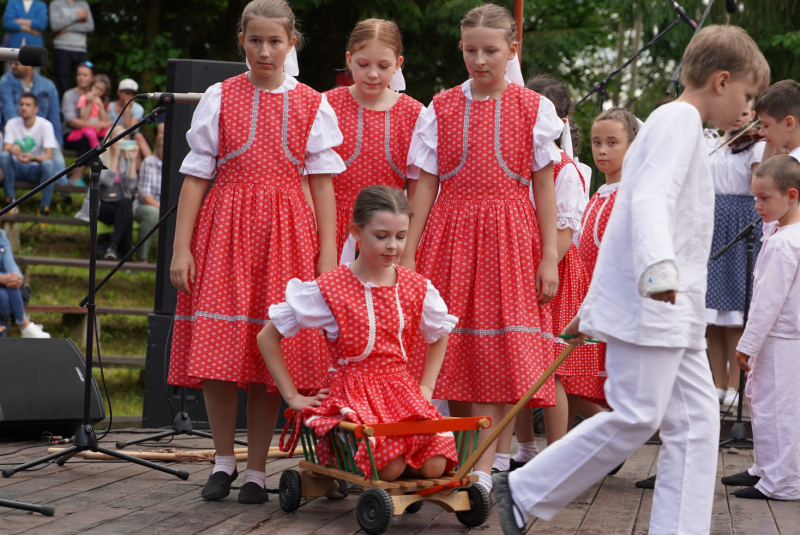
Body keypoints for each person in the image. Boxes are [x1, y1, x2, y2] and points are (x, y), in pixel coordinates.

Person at [493, 25, 770, 535]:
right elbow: (648, 201)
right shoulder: (678, 119)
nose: (749, 108)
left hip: (675, 307)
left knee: (695, 425)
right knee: (640, 414)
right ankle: (527, 489)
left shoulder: (678, 123)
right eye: (748, 95)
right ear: (722, 80)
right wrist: (658, 269)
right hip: (657, 299)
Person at [167, 0, 343, 505]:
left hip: (287, 233)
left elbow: (324, 186)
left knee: (271, 355)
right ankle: (224, 462)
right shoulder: (220, 97)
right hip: (224, 230)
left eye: (275, 41)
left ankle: (257, 471)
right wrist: (182, 248)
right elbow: (196, 178)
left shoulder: (312, 103)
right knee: (220, 354)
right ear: (241, 42)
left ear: (292, 44)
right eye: (255, 41)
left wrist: (327, 256)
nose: (264, 51)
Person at [400, 3, 562, 494]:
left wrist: (549, 253)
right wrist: (408, 251)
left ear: (511, 50)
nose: (480, 60)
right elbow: (425, 184)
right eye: (471, 50)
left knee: (493, 351)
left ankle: (485, 469)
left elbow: (544, 187)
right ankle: (462, 458)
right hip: (450, 234)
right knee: (455, 351)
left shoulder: (533, 107)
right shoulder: (442, 106)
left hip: (510, 236)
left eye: (491, 51)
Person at [259, 185, 459, 481]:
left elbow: (440, 332)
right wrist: (293, 396)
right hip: (352, 392)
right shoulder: (332, 288)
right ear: (356, 231)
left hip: (400, 390)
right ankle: (353, 456)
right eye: (381, 236)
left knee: (435, 465)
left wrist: (426, 387)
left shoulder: (415, 286)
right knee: (389, 467)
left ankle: (397, 475)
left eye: (400, 237)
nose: (392, 246)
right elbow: (267, 337)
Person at [502, 76, 596, 473]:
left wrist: (535, 266)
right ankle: (522, 448)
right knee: (517, 363)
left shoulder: (565, 170)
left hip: (550, 271)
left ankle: (557, 454)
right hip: (520, 268)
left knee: (549, 367)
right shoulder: (520, 160)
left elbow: (562, 232)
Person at [326, 19, 424, 263]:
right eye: (363, 64)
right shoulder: (325, 107)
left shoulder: (414, 114)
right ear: (349, 60)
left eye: (383, 66)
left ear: (397, 64)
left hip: (387, 233)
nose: (372, 74)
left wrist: (406, 245)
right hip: (332, 227)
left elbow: (416, 191)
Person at [732, 155, 800, 501]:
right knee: (772, 405)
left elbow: (767, 303)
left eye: (764, 198)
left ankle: (782, 482)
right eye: (755, 197)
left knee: (777, 410)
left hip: (780, 336)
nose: (757, 205)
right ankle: (770, 472)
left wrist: (747, 345)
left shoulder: (785, 243)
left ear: (791, 195)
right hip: (785, 336)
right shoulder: (784, 234)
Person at [705, 105, 766, 408]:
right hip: (713, 222)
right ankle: (717, 383)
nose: (741, 118)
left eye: (747, 113)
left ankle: (734, 384)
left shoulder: (758, 145)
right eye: (736, 112)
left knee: (734, 312)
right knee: (712, 315)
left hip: (741, 220)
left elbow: (759, 184)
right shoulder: (713, 143)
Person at [0, 60, 67, 184]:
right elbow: (9, 113)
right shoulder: (6, 81)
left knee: (55, 149)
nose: (12, 66)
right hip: (14, 131)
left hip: (41, 132)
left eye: (16, 63)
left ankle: (63, 189)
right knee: (4, 148)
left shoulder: (48, 85)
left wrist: (58, 142)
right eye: (12, 63)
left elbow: (54, 117)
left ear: (29, 65)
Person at [1, 93, 58, 215]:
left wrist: (33, 158)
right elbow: (6, 148)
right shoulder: (12, 123)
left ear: (36, 109)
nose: (23, 107)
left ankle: (44, 208)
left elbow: (49, 156)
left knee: (48, 164)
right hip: (16, 168)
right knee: (4, 156)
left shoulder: (45, 125)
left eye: (28, 105)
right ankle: (10, 201)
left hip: (35, 168)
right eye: (21, 104)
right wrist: (13, 147)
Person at [97, 126, 138, 261]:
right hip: (102, 204)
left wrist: (132, 161)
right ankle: (127, 258)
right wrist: (114, 157)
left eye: (124, 138)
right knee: (127, 213)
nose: (121, 141)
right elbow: (107, 182)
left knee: (126, 205)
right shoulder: (101, 157)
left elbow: (131, 185)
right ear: (110, 139)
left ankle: (113, 246)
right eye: (118, 138)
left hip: (120, 203)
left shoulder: (125, 158)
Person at [0, 228, 49, 338]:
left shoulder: (1, 236)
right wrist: (2, 278)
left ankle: (23, 328)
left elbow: (11, 265)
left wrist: (16, 277)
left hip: (4, 284)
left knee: (11, 283)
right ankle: (25, 325)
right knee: (2, 296)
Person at [49, 0, 94, 97]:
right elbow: (55, 26)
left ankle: (85, 109)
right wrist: (76, 16)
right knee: (64, 86)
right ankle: (66, 111)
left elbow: (90, 26)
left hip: (81, 49)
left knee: (86, 85)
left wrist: (68, 28)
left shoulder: (83, 4)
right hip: (62, 49)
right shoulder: (56, 4)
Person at [756, 80, 800, 165]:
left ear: (789, 123)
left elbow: (760, 177)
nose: (760, 133)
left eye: (765, 126)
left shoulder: (790, 168)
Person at [134, 134, 162, 263]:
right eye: (161, 146)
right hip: (145, 207)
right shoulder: (149, 162)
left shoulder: (179, 164)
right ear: (157, 147)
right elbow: (145, 196)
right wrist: (165, 210)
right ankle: (142, 258)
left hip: (165, 209)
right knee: (153, 214)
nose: (163, 149)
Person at [108, 78, 152, 159]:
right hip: (112, 138)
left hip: (130, 139)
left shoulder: (138, 108)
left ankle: (151, 164)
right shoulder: (110, 107)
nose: (130, 96)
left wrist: (127, 109)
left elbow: (130, 129)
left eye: (133, 93)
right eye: (127, 92)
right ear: (119, 92)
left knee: (137, 140)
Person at [66, 76, 110, 149]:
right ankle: (97, 151)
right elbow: (84, 117)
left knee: (110, 132)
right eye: (96, 87)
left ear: (104, 92)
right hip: (87, 127)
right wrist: (89, 102)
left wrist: (101, 105)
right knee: (90, 133)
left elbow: (105, 120)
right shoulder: (84, 98)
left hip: (99, 127)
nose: (98, 91)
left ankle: (108, 152)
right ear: (92, 86)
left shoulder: (103, 101)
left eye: (101, 90)